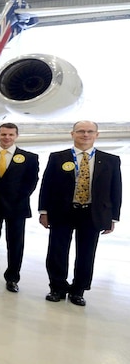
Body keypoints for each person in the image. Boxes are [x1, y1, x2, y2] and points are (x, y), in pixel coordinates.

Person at [39, 121, 122, 306]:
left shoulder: (110, 160)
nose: (85, 135)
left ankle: (78, 290)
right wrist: (44, 211)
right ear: (72, 134)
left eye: (90, 131)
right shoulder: (57, 158)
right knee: (57, 251)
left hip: (92, 213)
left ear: (97, 135)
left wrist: (113, 217)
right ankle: (57, 287)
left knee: (86, 253)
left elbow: (116, 189)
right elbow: (47, 185)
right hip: (63, 211)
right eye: (81, 131)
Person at [0, 123, 40, 292]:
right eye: (4, 134)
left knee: (15, 243)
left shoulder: (29, 157)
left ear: (16, 136)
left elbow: (31, 182)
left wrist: (18, 198)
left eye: (11, 135)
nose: (7, 137)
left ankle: (12, 278)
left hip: (17, 206)